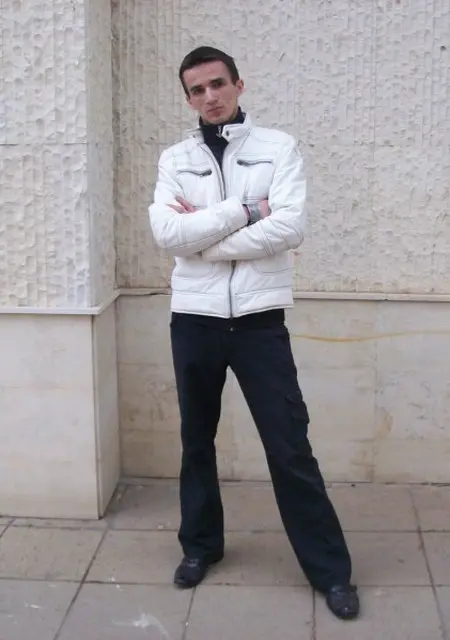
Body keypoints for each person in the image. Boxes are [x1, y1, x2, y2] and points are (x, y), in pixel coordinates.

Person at [148, 46, 359, 621]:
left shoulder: (277, 147)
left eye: (218, 84)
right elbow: (167, 234)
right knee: (197, 440)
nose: (209, 96)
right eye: (197, 90)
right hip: (195, 320)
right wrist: (245, 211)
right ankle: (200, 547)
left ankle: (331, 571)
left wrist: (202, 241)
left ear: (239, 85)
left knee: (289, 445)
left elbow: (289, 226)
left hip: (259, 321)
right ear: (188, 98)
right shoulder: (175, 158)